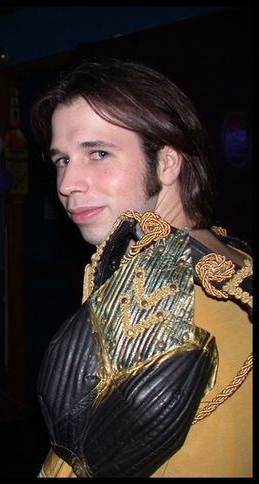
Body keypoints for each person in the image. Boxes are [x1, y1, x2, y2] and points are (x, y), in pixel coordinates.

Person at [29, 58, 252, 477]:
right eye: (62, 160)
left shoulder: (156, 301)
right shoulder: (233, 260)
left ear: (167, 162)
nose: (67, 184)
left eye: (98, 153)